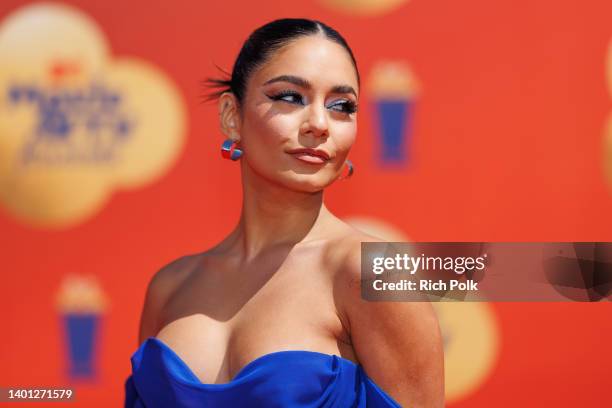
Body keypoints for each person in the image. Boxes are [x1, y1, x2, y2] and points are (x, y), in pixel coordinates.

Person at [125, 18, 444, 407]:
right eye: (290, 97)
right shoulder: (170, 288)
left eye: (342, 106)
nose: (319, 125)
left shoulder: (372, 273)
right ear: (231, 115)